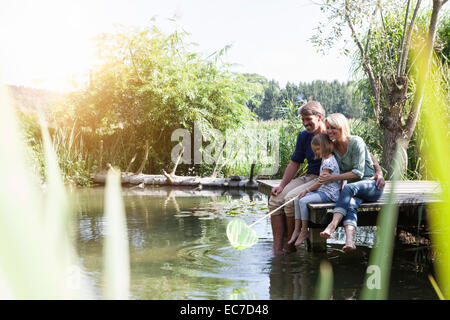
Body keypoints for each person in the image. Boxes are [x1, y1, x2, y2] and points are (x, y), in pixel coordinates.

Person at [318, 113, 385, 251]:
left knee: (349, 189)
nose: (329, 131)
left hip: (371, 186)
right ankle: (349, 242)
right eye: (328, 128)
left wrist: (378, 171)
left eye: (333, 128)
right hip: (354, 190)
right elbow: (369, 154)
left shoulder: (356, 141)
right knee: (351, 204)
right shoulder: (333, 146)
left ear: (341, 127)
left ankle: (332, 225)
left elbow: (358, 172)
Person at [269, 101, 327, 255]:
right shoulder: (303, 136)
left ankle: (289, 247)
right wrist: (281, 185)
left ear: (319, 117)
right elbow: (295, 163)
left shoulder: (331, 133)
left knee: (289, 199)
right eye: (303, 120)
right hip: (308, 176)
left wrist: (378, 172)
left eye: (308, 119)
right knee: (275, 199)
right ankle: (276, 249)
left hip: (323, 179)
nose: (305, 123)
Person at [288, 133, 341, 247]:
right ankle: (297, 230)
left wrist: (306, 190)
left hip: (329, 194)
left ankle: (304, 231)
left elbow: (320, 182)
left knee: (302, 200)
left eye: (318, 149)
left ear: (326, 146)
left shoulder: (329, 162)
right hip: (323, 191)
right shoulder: (325, 159)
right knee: (298, 199)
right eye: (314, 150)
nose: (316, 152)